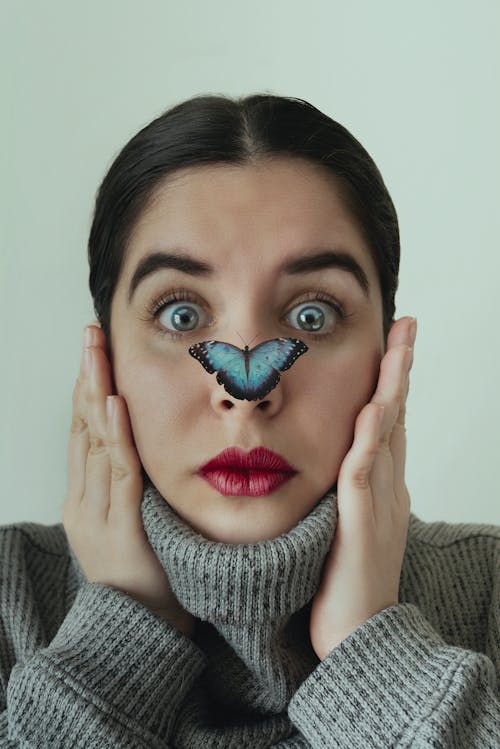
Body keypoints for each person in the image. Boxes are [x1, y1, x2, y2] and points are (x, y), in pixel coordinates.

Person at [1, 93, 499, 748]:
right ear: (106, 358)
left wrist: (373, 654)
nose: (248, 393)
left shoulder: (490, 591)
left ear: (388, 355)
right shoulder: (11, 607)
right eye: (181, 314)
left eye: (312, 315)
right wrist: (111, 652)